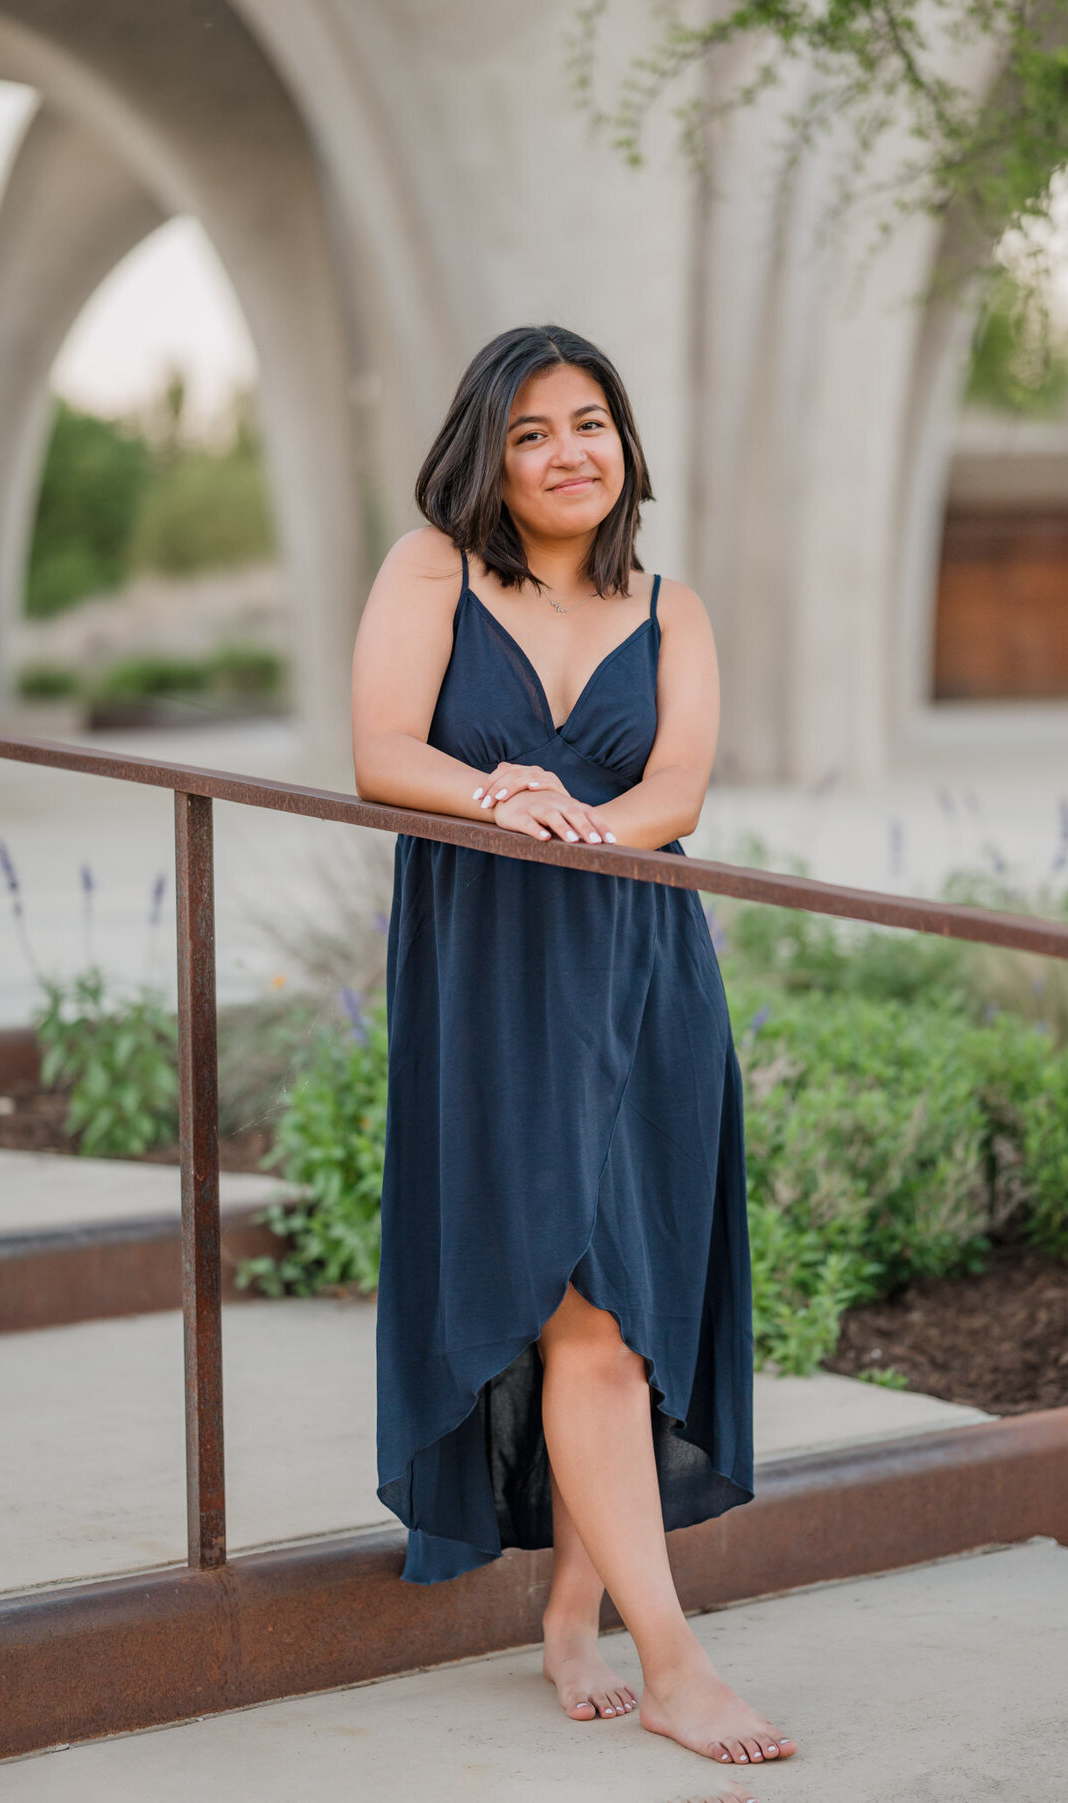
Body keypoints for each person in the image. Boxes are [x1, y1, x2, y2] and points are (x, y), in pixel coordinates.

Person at [352, 324, 797, 1785]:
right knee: (567, 1304)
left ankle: (574, 1608)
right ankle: (678, 1660)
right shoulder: (433, 569)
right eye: (534, 430)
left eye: (590, 422)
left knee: (610, 1309)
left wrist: (594, 824)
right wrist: (505, 794)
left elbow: (675, 790)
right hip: (488, 981)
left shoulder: (677, 609)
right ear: (489, 450)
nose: (568, 454)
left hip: (640, 978)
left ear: (626, 443)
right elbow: (379, 756)